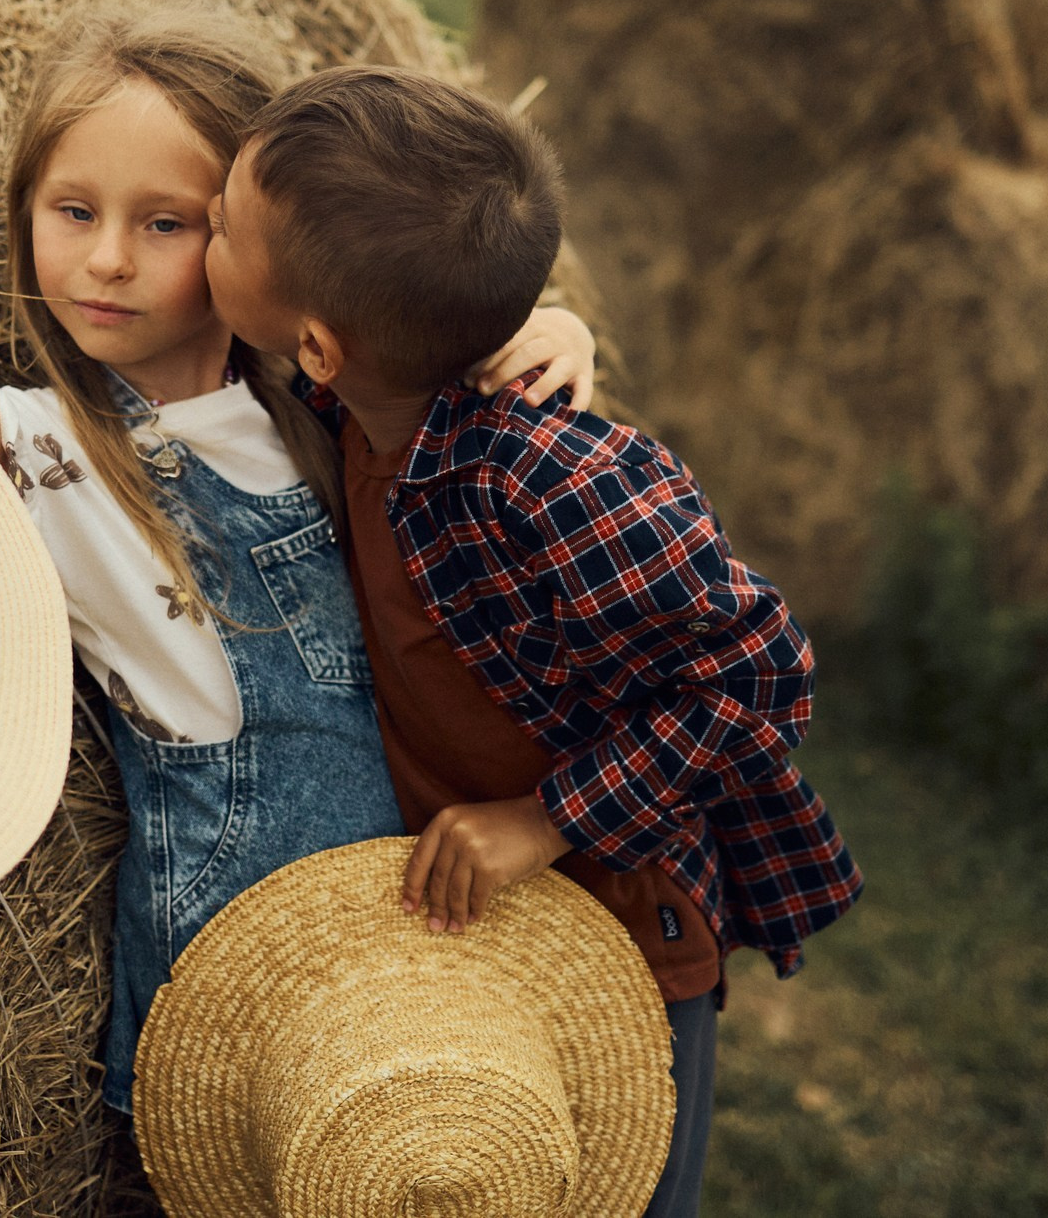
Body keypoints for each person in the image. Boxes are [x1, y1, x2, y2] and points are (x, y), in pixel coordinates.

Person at [0, 0, 597, 1120]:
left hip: (406, 926)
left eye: (165, 223)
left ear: (258, 242)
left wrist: (549, 328)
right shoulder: (44, 447)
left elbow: (436, 299)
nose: (105, 259)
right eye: (71, 210)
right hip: (224, 954)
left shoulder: (325, 407)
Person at [203, 63, 862, 1218]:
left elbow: (758, 676)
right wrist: (546, 312)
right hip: (472, 909)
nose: (202, 222)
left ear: (315, 345)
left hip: (622, 916)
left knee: (607, 1177)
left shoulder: (548, 479)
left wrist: (547, 820)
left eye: (214, 227)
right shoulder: (357, 405)